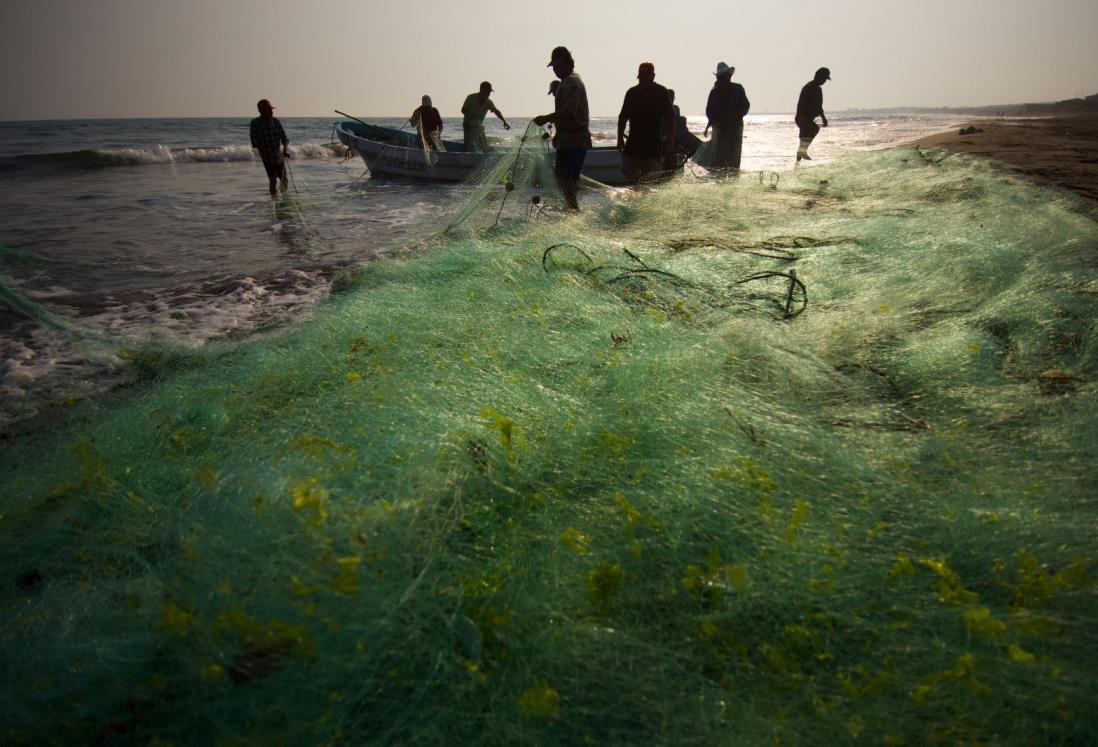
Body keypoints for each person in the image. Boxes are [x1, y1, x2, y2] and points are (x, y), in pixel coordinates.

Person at [533, 46, 592, 210]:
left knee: (567, 180)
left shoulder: (572, 82)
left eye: (558, 65)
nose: (556, 70)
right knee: (563, 179)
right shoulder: (568, 80)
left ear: (568, 63)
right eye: (554, 67)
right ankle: (572, 209)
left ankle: (574, 211)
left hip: (575, 141)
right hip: (567, 141)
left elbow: (569, 111)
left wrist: (546, 118)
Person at [616, 62, 675, 184]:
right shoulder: (632, 93)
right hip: (633, 144)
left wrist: (670, 138)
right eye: (641, 77)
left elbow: (670, 117)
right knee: (626, 170)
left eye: (645, 77)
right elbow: (623, 117)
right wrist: (620, 138)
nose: (642, 80)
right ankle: (637, 184)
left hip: (653, 146)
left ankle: (642, 192)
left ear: (653, 76)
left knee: (649, 181)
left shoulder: (661, 92)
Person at [703, 62, 750, 172]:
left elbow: (745, 106)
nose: (723, 79)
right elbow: (709, 111)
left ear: (729, 76)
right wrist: (717, 121)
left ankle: (733, 179)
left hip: (735, 129)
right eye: (720, 77)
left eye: (724, 77)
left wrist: (735, 116)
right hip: (719, 130)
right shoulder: (714, 92)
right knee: (719, 161)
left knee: (734, 161)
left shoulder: (738, 88)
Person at [249, 99, 289, 198]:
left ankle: (283, 199)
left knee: (284, 179)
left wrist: (284, 150)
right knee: (273, 179)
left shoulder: (276, 121)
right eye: (269, 110)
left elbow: (284, 138)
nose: (271, 112)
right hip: (267, 157)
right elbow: (255, 143)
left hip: (278, 155)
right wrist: (268, 152)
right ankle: (274, 199)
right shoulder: (255, 123)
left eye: (271, 110)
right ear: (262, 111)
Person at [461, 81, 510, 153]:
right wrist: (469, 115)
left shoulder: (488, 102)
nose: (489, 94)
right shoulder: (471, 97)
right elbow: (463, 110)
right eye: (488, 91)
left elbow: (496, 111)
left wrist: (504, 122)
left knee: (482, 143)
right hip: (468, 124)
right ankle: (465, 155)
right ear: (482, 90)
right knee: (467, 143)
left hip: (478, 125)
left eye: (490, 92)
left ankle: (482, 155)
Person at [795, 67, 831, 162]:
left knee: (803, 141)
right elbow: (804, 104)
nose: (824, 81)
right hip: (802, 117)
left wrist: (823, 118)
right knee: (815, 128)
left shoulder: (817, 89)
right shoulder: (810, 87)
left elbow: (819, 106)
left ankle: (797, 165)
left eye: (825, 80)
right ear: (818, 76)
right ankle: (802, 153)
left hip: (806, 118)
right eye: (824, 79)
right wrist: (823, 118)